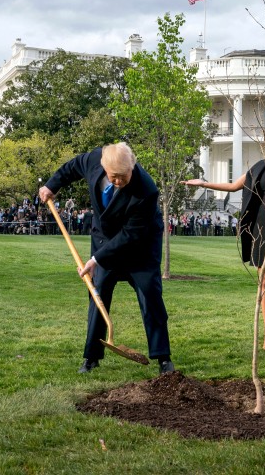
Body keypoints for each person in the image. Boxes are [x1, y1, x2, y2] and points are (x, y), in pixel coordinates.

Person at [39, 142, 174, 375]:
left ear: (132, 166)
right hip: (104, 238)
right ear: (103, 167)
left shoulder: (146, 189)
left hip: (139, 246)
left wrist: (95, 260)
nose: (119, 181)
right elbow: (72, 167)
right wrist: (52, 185)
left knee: (150, 294)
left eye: (124, 176)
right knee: (97, 292)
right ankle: (91, 357)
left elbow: (131, 234)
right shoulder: (93, 159)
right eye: (114, 177)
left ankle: (163, 358)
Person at [183, 125, 265, 350]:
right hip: (260, 230)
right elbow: (234, 185)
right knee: (264, 280)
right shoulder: (260, 168)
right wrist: (203, 183)